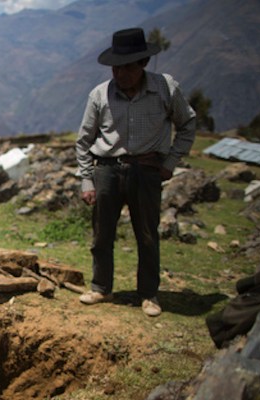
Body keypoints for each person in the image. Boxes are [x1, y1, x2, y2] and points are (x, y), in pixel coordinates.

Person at [75, 27, 196, 317]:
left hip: (147, 170)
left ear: (142, 63)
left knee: (147, 234)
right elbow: (83, 140)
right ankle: (101, 286)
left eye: (127, 67)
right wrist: (86, 179)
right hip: (107, 170)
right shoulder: (99, 95)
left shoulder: (165, 89)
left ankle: (149, 294)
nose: (120, 74)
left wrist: (170, 163)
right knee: (102, 233)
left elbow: (187, 124)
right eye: (116, 67)